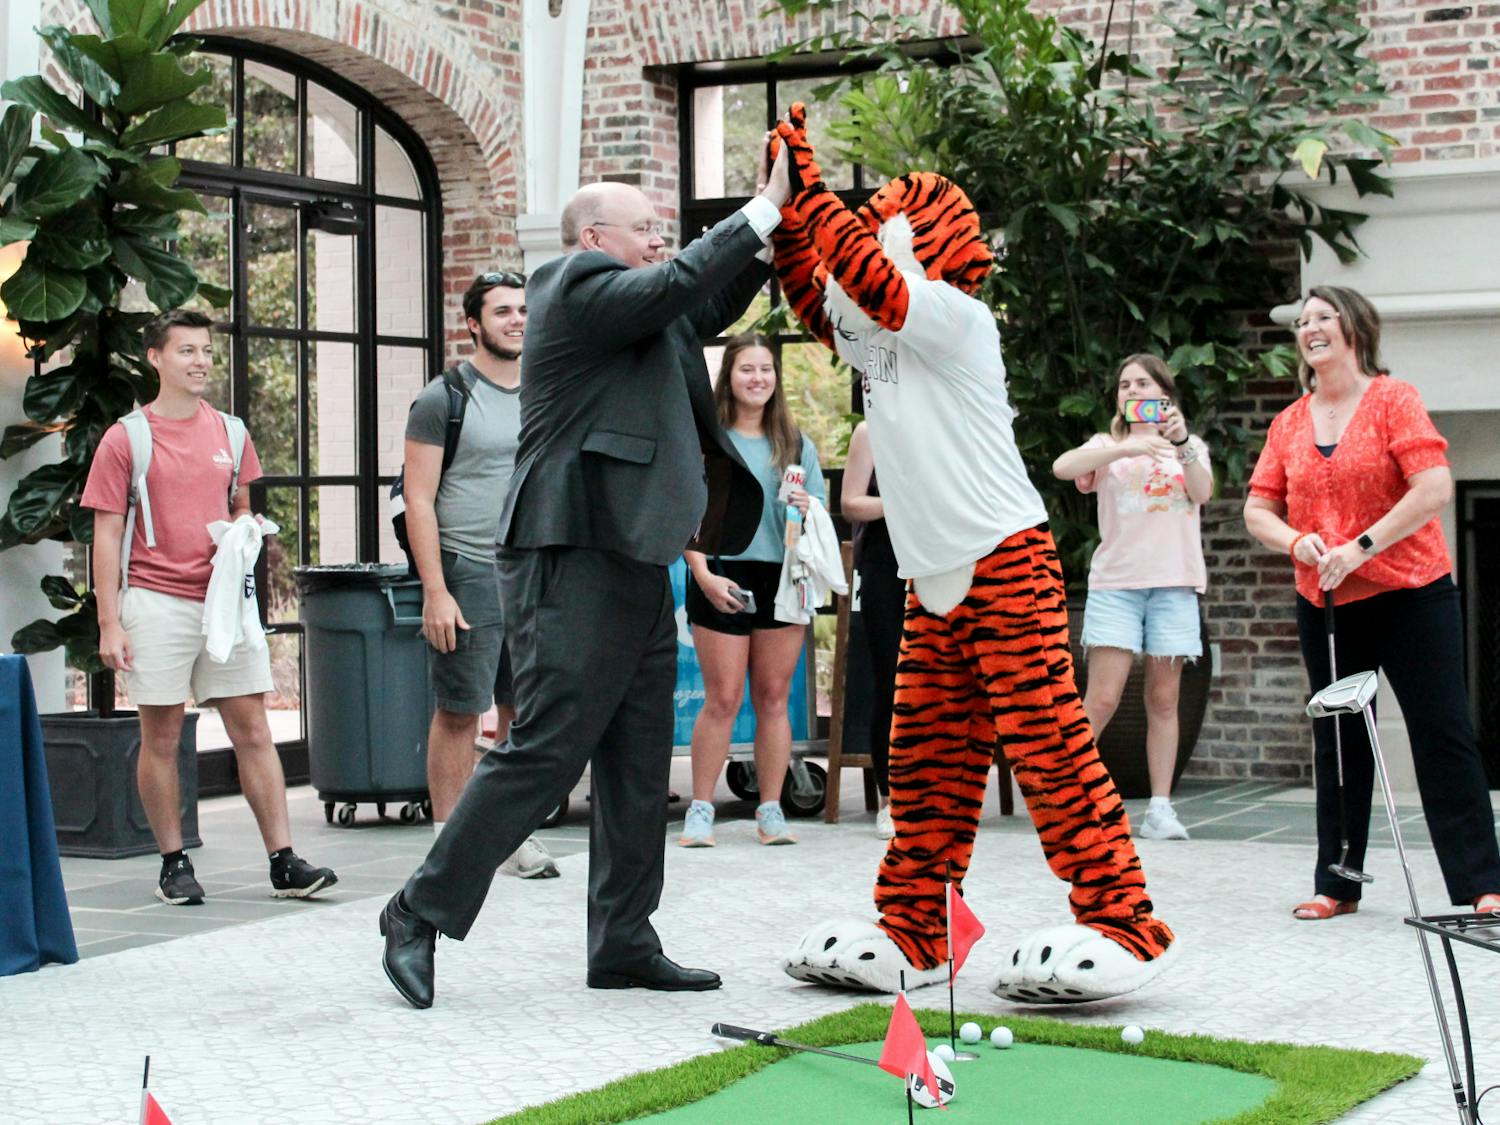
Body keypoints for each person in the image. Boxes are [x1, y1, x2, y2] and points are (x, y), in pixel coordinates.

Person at [770, 104, 1176, 1003]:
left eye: (885, 227)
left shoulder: (955, 317)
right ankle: (918, 930)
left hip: (1007, 561)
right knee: (924, 762)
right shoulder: (878, 338)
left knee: (1049, 750)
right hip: (931, 577)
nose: (867, 241)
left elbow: (870, 279)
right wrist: (794, 211)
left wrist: (818, 191)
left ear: (924, 242)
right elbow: (819, 293)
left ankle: (1122, 921)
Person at [377, 140, 792, 1008]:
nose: (659, 239)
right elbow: (679, 282)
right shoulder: (566, 285)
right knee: (546, 747)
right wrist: (752, 212)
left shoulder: (642, 311)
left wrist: (777, 230)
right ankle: (417, 910)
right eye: (645, 227)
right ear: (593, 236)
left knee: (640, 762)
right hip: (568, 553)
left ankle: (623, 942)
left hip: (632, 554)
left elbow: (702, 296)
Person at [1243, 284, 1500, 921]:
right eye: (1302, 322)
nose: (1309, 329)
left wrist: (1360, 545)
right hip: (1328, 603)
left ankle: (1481, 883)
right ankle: (1338, 883)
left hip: (1413, 594)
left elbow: (1434, 486)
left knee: (1443, 734)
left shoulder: (1393, 399)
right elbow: (1257, 508)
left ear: (1354, 327)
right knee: (1338, 740)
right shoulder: (1290, 421)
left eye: (1322, 317)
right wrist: (1296, 541)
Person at [82, 309, 337, 906]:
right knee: (163, 737)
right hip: (155, 603)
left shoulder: (231, 432)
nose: (200, 362)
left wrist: (246, 527)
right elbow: (107, 535)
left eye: (205, 352)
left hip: (223, 604)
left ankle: (283, 861)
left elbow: (241, 504)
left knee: (252, 730)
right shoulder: (127, 438)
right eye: (186, 351)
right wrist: (110, 621)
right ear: (155, 358)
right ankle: (174, 863)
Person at [402, 270, 558, 880]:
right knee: (460, 711)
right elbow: (418, 500)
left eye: (523, 310)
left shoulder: (545, 389)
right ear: (473, 322)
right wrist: (435, 592)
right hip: (467, 572)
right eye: (502, 311)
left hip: (532, 571)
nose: (517, 320)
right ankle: (448, 845)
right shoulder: (442, 398)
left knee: (522, 712)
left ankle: (507, 835)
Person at [1052, 354, 1212, 841]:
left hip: (1173, 584)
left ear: (1165, 393)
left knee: (1164, 699)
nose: (1132, 391)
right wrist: (1123, 450)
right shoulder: (1107, 446)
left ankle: (1160, 810)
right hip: (1116, 585)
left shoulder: (1191, 446)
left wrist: (1180, 443)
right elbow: (1063, 467)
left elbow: (1202, 492)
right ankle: (1065, 797)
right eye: (1125, 385)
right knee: (1100, 697)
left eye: (1143, 383)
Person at [679, 335, 825, 848]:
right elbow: (684, 518)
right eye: (747, 369)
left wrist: (808, 506)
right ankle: (700, 811)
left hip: (782, 578)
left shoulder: (795, 443)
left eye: (766, 369)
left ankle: (770, 809)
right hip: (721, 573)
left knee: (774, 697)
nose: (757, 378)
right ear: (730, 377)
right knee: (722, 697)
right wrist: (703, 576)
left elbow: (820, 517)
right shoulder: (709, 439)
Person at [840, 420, 900, 839]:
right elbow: (851, 503)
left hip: (943, 558)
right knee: (892, 681)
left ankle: (939, 795)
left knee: (944, 686)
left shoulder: (949, 415)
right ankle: (890, 799)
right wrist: (899, 504)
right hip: (885, 561)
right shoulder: (870, 431)